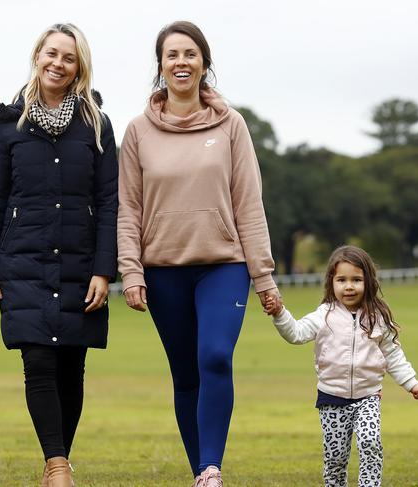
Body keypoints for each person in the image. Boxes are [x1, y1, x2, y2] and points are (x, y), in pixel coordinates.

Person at [117, 20, 281, 487]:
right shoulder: (137, 132)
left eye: (190, 54)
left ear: (205, 63)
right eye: (172, 55)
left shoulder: (231, 125)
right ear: (161, 66)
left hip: (224, 266)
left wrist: (263, 276)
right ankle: (201, 472)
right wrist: (131, 272)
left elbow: (249, 203)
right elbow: (128, 209)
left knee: (215, 357)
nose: (181, 62)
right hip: (163, 270)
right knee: (186, 374)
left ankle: (213, 467)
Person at [0, 23, 118, 487]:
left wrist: (103, 270)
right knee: (38, 361)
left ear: (80, 67)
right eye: (51, 54)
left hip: (79, 263)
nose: (58, 63)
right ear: (37, 56)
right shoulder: (7, 127)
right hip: (24, 262)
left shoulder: (96, 124)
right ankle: (56, 465)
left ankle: (60, 460)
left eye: (68, 58)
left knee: (72, 366)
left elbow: (111, 200)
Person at [264, 245, 418, 487]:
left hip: (368, 396)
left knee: (370, 441)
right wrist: (280, 313)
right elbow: (296, 333)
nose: (349, 286)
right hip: (332, 397)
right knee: (335, 458)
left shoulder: (377, 317)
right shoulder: (325, 315)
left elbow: (393, 354)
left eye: (356, 280)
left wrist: (411, 383)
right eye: (342, 280)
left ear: (368, 282)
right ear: (331, 282)